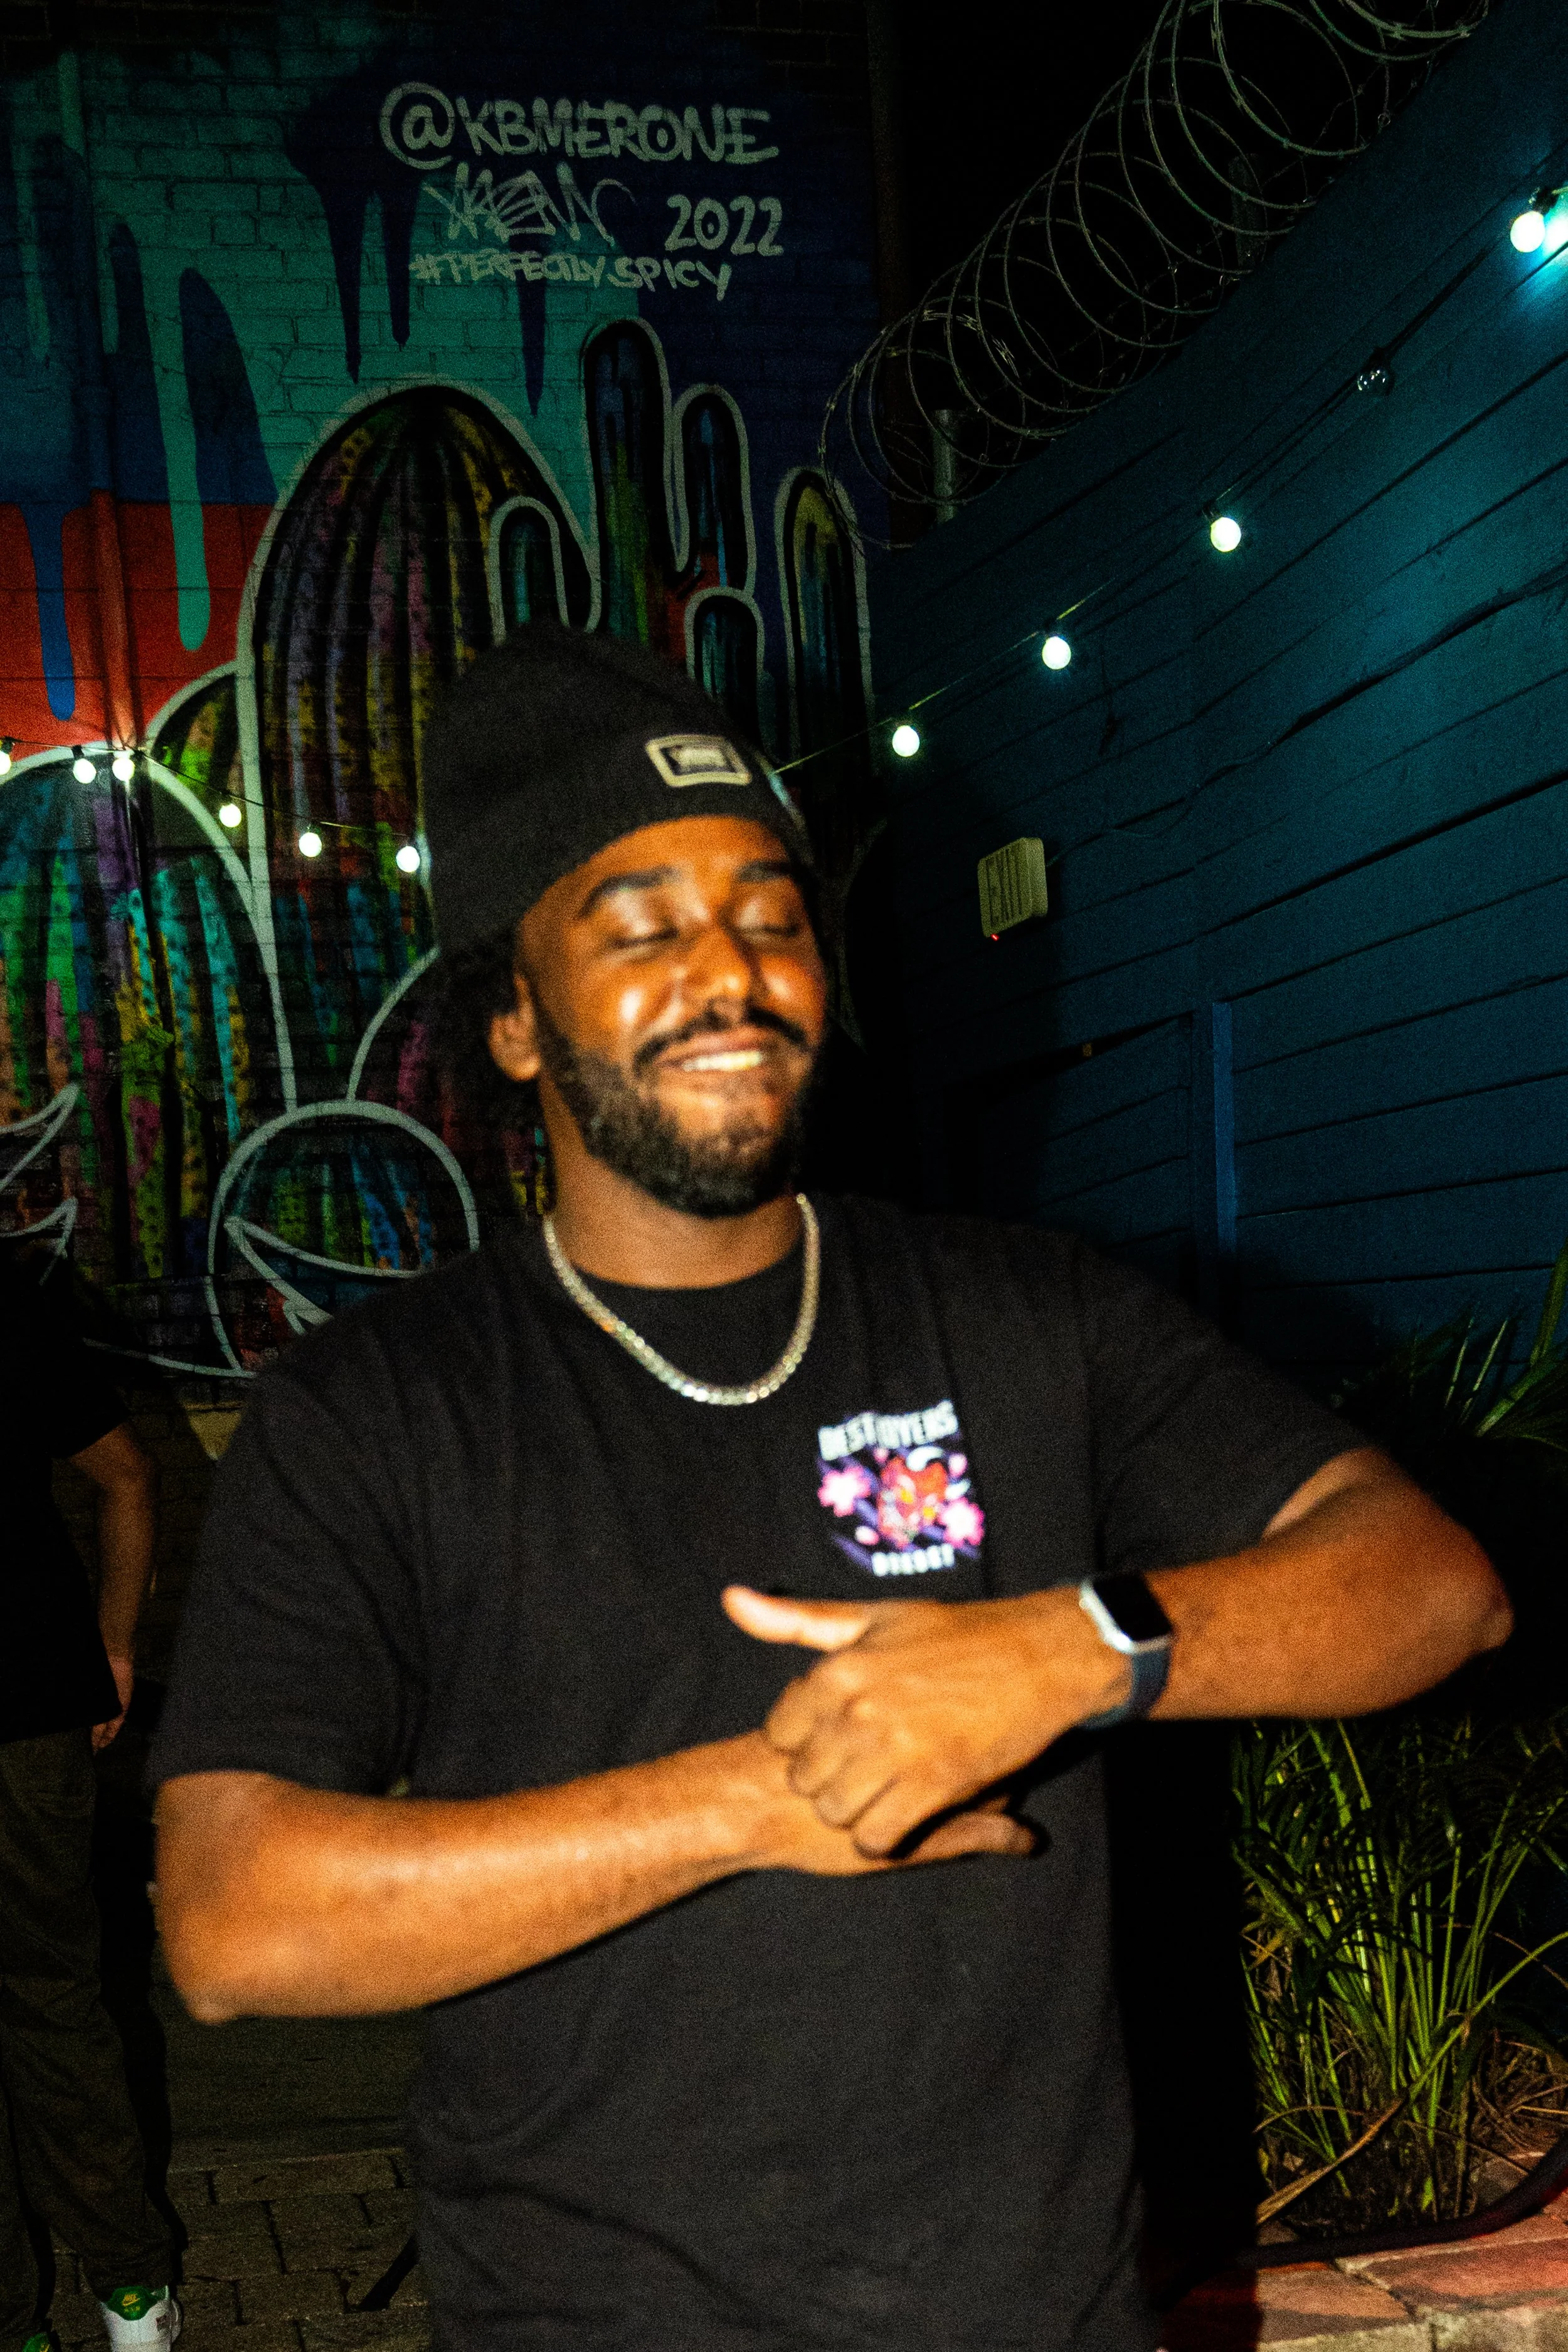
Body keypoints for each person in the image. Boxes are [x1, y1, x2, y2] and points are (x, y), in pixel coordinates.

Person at [149, 628, 1509, 2352]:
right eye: (638, 923)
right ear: (510, 1014)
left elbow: (1426, 1580)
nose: (727, 968)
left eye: (768, 912)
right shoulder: (377, 1408)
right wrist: (758, 1798)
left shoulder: (1029, 1312)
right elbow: (232, 1911)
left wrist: (1076, 1647)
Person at [1, 1257, 179, 2352]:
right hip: (27, 1699)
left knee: (51, 1998)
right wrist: (112, 1645)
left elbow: (127, 1478)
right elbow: (128, 1474)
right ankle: (131, 2294)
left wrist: (110, 1646)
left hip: (27, 1707)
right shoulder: (10, 1298)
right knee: (55, 2000)